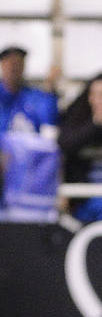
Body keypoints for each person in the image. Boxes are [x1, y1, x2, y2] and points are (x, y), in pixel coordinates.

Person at [60, 75, 102, 223]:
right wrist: (95, 125)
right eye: (99, 96)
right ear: (90, 98)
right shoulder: (77, 121)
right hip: (84, 202)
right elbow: (65, 146)